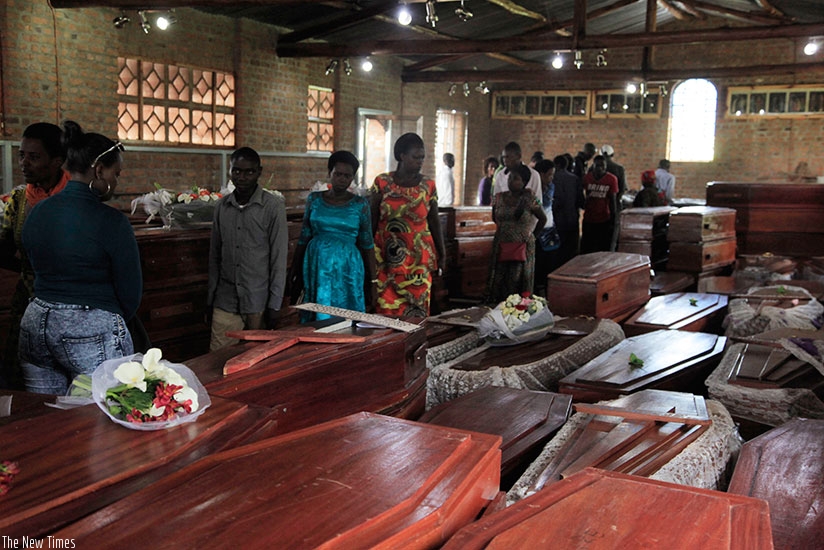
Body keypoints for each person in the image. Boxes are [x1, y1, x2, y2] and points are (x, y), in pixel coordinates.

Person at [19, 120, 141, 394]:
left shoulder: (37, 211)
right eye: (115, 173)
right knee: (103, 418)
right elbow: (130, 294)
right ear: (98, 170)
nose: (116, 182)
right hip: (91, 329)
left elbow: (32, 262)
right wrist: (102, 321)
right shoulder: (111, 221)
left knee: (46, 417)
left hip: (36, 323)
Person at [0, 123, 69, 390]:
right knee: (23, 381)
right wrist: (30, 270)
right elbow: (4, 248)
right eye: (21, 155)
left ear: (57, 162)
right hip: (28, 300)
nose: (24, 164)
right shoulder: (18, 200)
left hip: (67, 305)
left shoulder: (75, 199)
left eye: (34, 157)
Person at [208, 147, 288, 350]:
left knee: (254, 360)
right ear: (230, 172)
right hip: (225, 300)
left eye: (249, 172)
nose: (241, 177)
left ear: (259, 172)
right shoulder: (222, 207)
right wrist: (211, 299)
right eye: (236, 171)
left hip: (258, 301)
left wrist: (275, 304)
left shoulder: (272, 207)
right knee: (219, 357)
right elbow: (215, 255)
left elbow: (278, 259)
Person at [288, 151, 377, 323]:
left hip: (348, 267)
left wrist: (372, 282)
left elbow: (367, 244)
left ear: (352, 178)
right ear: (330, 173)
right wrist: (294, 271)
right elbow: (304, 237)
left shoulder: (360, 205)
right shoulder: (314, 200)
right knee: (319, 309)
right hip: (317, 264)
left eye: (347, 176)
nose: (342, 179)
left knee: (346, 313)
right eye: (337, 174)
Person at [370, 132, 446, 318]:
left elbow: (434, 222)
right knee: (385, 308)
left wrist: (442, 254)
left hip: (418, 260)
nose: (420, 161)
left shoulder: (428, 185)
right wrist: (368, 255)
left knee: (416, 311)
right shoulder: (382, 182)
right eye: (415, 157)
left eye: (422, 157)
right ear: (402, 156)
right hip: (386, 258)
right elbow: (371, 221)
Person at [485, 164, 547, 305]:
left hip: (522, 246)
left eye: (515, 178)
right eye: (510, 178)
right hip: (502, 243)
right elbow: (495, 217)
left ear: (524, 182)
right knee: (499, 279)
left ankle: (518, 313)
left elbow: (543, 219)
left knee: (517, 281)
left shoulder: (529, 198)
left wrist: (530, 236)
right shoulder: (499, 197)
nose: (510, 181)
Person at [580, 155, 619, 254]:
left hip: (604, 218)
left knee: (602, 247)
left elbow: (613, 200)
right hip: (589, 217)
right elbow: (581, 196)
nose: (600, 168)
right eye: (597, 165)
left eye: (602, 166)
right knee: (587, 247)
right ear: (593, 166)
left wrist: (613, 219)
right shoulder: (587, 178)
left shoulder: (611, 179)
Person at [552, 154, 585, 267]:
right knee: (571, 251)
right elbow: (581, 201)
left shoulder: (552, 178)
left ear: (556, 165)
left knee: (557, 253)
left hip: (556, 221)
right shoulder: (575, 179)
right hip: (572, 219)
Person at [533, 159, 560, 296]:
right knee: (538, 265)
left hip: (550, 230)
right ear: (541, 174)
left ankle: (546, 290)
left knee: (550, 263)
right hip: (537, 231)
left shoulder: (551, 187)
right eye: (549, 175)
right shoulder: (532, 189)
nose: (552, 178)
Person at [601, 145, 626, 251]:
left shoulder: (593, 168)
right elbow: (622, 188)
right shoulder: (619, 169)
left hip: (598, 207)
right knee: (612, 235)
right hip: (613, 206)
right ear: (613, 155)